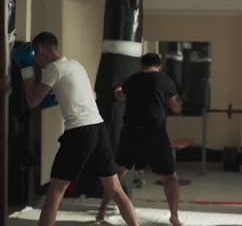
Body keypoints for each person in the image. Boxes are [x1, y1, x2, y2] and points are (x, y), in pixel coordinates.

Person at [12, 32, 139, 226]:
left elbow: (32, 101)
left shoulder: (52, 68)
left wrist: (27, 69)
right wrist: (62, 96)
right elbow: (93, 95)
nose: (37, 62)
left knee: (54, 191)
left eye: (36, 58)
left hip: (79, 131)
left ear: (39, 50)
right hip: (98, 128)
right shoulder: (75, 64)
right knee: (115, 189)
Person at [96, 53, 183, 226]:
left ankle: (101, 212)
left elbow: (120, 98)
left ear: (141, 66)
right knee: (170, 178)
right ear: (160, 66)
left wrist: (117, 90)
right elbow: (176, 107)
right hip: (155, 135)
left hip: (131, 134)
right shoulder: (165, 80)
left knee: (115, 175)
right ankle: (174, 216)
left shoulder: (132, 79)